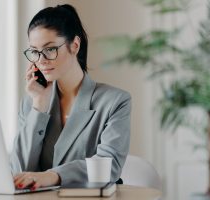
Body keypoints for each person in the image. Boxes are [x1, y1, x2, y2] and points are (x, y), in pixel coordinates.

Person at [10, 4, 131, 191]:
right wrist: (39, 106)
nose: (41, 60)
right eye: (34, 51)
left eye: (50, 49)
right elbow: (20, 172)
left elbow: (109, 166)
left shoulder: (114, 101)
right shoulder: (31, 102)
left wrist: (53, 176)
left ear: (74, 45)